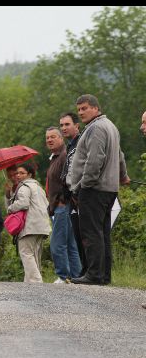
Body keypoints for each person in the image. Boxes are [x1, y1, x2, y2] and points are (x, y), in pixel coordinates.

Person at [67, 94, 130, 285]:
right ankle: (104, 275)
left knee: (91, 232)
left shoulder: (95, 128)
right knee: (102, 232)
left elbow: (95, 161)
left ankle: (94, 274)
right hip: (109, 188)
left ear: (95, 108)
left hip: (94, 188)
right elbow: (120, 155)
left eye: (84, 108)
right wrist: (123, 175)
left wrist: (81, 186)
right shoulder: (110, 126)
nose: (81, 112)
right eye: (79, 110)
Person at [45, 127, 81, 283]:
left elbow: (67, 181)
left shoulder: (64, 156)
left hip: (63, 205)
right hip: (59, 205)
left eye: (53, 137)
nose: (49, 140)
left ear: (61, 138)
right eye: (47, 138)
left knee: (57, 244)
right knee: (70, 244)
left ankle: (63, 276)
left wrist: (60, 200)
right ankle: (76, 276)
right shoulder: (55, 157)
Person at [8, 164, 51, 283]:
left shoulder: (24, 186)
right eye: (17, 173)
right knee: (34, 255)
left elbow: (23, 203)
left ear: (30, 174)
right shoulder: (38, 187)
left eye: (22, 173)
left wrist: (10, 208)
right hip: (42, 226)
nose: (18, 175)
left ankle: (36, 282)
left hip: (30, 226)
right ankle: (29, 283)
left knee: (26, 253)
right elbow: (47, 204)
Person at [59, 111, 86, 274]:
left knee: (85, 236)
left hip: (81, 194)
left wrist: (76, 191)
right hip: (71, 196)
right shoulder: (70, 145)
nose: (63, 128)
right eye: (61, 125)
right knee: (77, 236)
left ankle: (90, 271)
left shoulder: (81, 142)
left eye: (67, 124)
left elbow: (82, 169)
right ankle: (84, 271)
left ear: (77, 125)